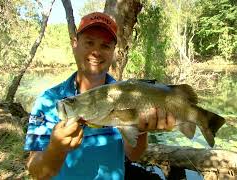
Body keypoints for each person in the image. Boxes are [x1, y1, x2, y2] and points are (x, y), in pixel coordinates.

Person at [25, 12, 176, 180]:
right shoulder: (48, 100)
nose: (96, 51)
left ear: (113, 51)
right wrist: (56, 149)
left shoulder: (128, 94)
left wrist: (142, 130)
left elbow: (133, 155)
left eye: (105, 46)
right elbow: (36, 172)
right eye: (89, 42)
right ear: (75, 44)